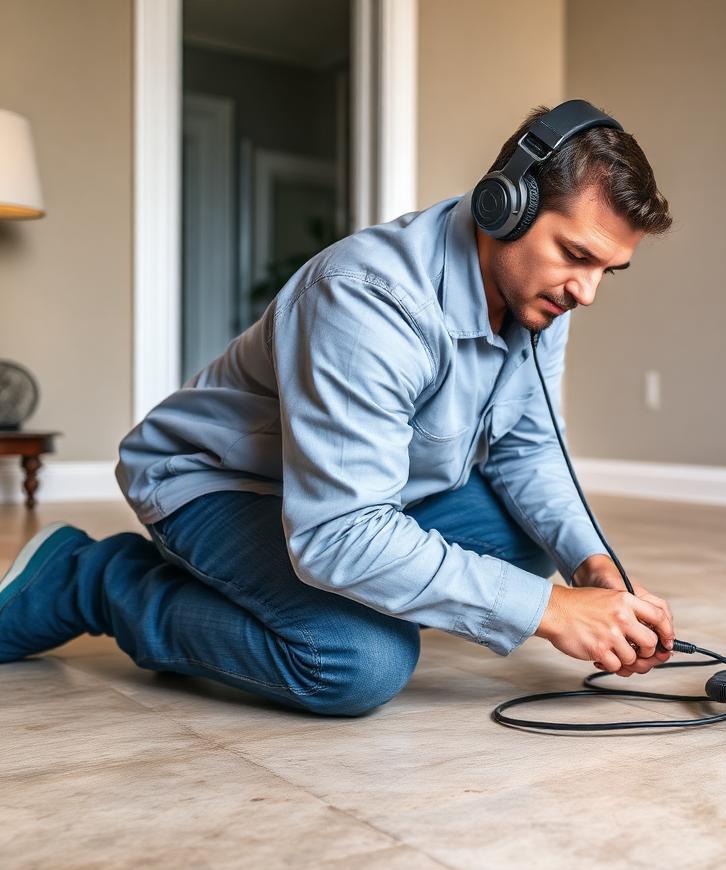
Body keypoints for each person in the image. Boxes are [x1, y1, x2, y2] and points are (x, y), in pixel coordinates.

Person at [0, 100, 677, 716]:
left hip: (362, 492)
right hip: (220, 486)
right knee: (357, 661)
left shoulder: (540, 297)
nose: (586, 292)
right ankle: (88, 579)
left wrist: (592, 569)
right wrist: (551, 611)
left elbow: (527, 448)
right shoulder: (365, 300)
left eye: (605, 271)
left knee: (533, 543)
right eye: (576, 256)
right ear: (508, 206)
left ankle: (353, 585)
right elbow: (339, 532)